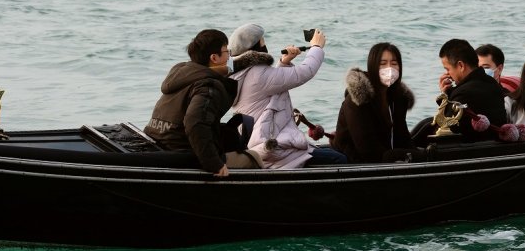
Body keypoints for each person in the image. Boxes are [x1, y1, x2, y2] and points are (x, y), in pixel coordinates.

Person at [229, 23, 346, 167]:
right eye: (262, 41)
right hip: (275, 150)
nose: (265, 44)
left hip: (262, 145)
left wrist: (284, 62)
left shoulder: (244, 74)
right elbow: (304, 73)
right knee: (340, 160)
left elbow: (271, 85)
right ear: (255, 47)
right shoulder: (258, 75)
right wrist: (316, 47)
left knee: (334, 155)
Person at [144, 29, 237, 177]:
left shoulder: (181, 73)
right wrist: (214, 164)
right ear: (214, 57)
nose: (229, 56)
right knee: (254, 158)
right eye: (227, 51)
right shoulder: (207, 86)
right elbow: (195, 122)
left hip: (157, 139)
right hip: (181, 151)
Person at [330, 42, 416, 162]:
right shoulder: (357, 101)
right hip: (353, 162)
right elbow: (367, 149)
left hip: (385, 158)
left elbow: (402, 136)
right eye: (383, 64)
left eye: (394, 63)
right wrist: (395, 157)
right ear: (372, 66)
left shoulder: (398, 97)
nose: (389, 68)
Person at [437, 38, 507, 140]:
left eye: (448, 69)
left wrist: (445, 97)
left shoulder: (463, 93)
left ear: (461, 65)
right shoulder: (493, 84)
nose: (447, 74)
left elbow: (446, 128)